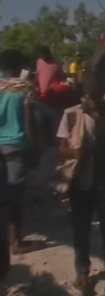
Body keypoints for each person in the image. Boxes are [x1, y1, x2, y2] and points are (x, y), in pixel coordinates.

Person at [56, 78, 105, 295]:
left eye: (96, 97)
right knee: (81, 232)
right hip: (81, 183)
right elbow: (61, 146)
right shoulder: (72, 114)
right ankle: (82, 270)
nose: (91, 101)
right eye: (88, 97)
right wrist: (72, 153)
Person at [0, 49, 39, 257]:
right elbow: (29, 120)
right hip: (17, 144)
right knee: (14, 196)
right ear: (17, 67)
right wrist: (35, 148)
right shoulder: (24, 86)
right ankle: (16, 242)